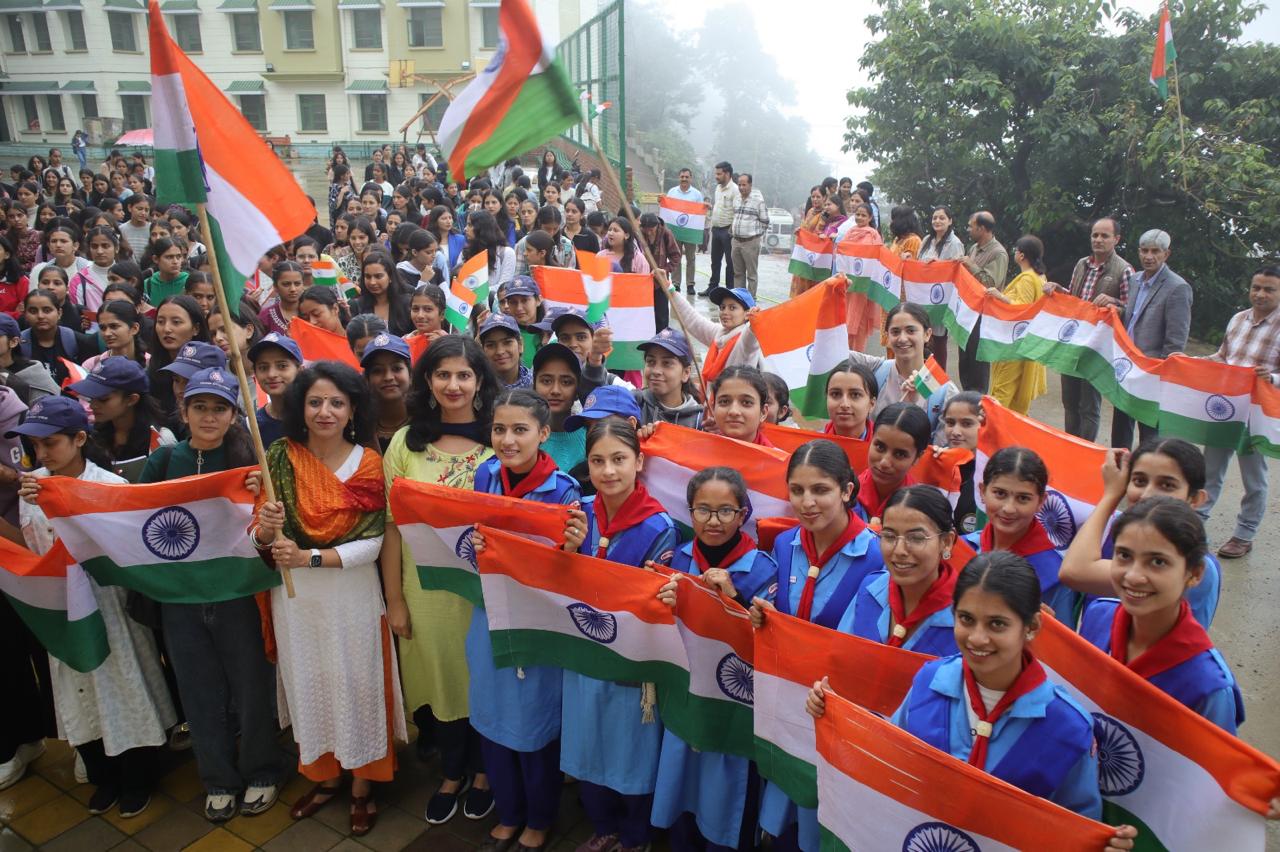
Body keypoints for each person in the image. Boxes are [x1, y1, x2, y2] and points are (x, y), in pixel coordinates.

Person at [806, 553, 1140, 851]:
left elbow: (1075, 827)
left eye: (997, 624)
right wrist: (834, 714)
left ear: (1032, 626)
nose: (978, 638)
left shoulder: (1067, 728)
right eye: (966, 619)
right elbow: (888, 758)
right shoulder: (930, 681)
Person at [253, 362, 402, 837]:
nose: (325, 411)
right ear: (300, 407)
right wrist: (266, 530)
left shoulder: (369, 463)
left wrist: (309, 557)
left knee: (357, 685)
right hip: (296, 603)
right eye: (315, 402)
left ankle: (362, 784)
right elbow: (258, 539)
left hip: (351, 598)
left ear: (352, 409)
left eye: (337, 402)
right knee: (310, 683)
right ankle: (325, 777)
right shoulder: (278, 457)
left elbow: (375, 543)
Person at [13, 396, 176, 819]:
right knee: (79, 686)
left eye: (52, 443)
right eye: (36, 445)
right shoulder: (32, 490)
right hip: (65, 608)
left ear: (80, 439)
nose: (43, 454)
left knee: (124, 681)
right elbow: (34, 548)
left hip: (110, 605)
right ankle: (104, 773)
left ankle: (139, 775)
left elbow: (128, 548)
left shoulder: (110, 486)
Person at [136, 370, 285, 821]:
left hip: (239, 594)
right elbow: (132, 517)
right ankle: (218, 778)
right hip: (181, 598)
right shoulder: (163, 461)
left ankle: (262, 769)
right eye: (199, 407)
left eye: (219, 408)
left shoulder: (250, 462)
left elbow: (268, 529)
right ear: (183, 412)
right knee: (198, 691)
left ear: (233, 415)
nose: (209, 416)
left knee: (251, 686)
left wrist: (262, 498)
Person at [380, 336, 497, 825]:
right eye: (443, 374)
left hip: (486, 593)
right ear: (427, 381)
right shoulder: (406, 443)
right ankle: (451, 773)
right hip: (424, 591)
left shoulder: (499, 439)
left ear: (479, 382)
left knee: (483, 678)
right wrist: (395, 600)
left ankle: (485, 773)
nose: (454, 385)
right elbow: (391, 527)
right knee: (443, 679)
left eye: (464, 375)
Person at [749, 440, 884, 851]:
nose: (807, 502)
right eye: (797, 490)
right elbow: (782, 608)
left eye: (821, 490)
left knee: (821, 805)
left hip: (834, 702)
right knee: (786, 790)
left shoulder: (876, 555)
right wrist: (764, 615)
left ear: (847, 490)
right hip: (789, 695)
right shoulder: (786, 543)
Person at [467, 390, 580, 852]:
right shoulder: (485, 474)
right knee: (492, 715)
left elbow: (568, 568)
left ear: (544, 433)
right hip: (488, 611)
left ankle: (539, 817)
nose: (508, 440)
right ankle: (509, 811)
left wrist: (570, 548)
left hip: (536, 620)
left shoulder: (564, 490)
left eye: (520, 430)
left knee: (535, 722)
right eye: (499, 429)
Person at [563, 418, 677, 852]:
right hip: (582, 652)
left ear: (639, 462)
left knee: (631, 750)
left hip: (630, 662)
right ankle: (603, 825)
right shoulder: (578, 513)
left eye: (619, 459)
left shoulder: (658, 526)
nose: (608, 471)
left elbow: (656, 602)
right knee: (588, 740)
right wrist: (567, 551)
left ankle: (634, 835)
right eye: (597, 461)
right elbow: (556, 579)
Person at [650, 467, 774, 852]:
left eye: (725, 511)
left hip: (732, 706)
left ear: (742, 514)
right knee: (681, 779)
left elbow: (770, 646)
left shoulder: (762, 568)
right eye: (703, 510)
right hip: (685, 695)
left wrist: (734, 599)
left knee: (726, 795)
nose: (713, 521)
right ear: (689, 512)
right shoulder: (677, 559)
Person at [1074, 496, 1243, 732]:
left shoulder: (1209, 686)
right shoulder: (1099, 615)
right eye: (1124, 555)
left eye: (1158, 562)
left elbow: (1214, 756)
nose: (1134, 576)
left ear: (1194, 573)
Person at [1196, 265, 1278, 559]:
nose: (1260, 294)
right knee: (1210, 471)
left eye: (1269, 289)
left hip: (1257, 415)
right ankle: (1195, 524)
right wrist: (1188, 362)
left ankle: (1244, 535)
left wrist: (1273, 378)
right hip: (1225, 408)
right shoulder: (1238, 319)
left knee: (1254, 478)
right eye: (1256, 287)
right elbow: (1222, 357)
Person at [838, 485, 961, 656]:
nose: (899, 550)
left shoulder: (965, 615)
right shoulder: (870, 589)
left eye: (916, 538)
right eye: (889, 536)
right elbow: (840, 658)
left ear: (946, 542)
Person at [966, 446, 1077, 619]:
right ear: (982, 491)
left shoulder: (1055, 576)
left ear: (1041, 501)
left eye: (1023, 498)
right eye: (1000, 494)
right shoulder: (964, 548)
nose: (1009, 508)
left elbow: (1060, 634)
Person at [1051, 218, 1133, 442]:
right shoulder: (1082, 264)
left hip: (1096, 348)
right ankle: (1070, 446)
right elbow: (1074, 297)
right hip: (1072, 343)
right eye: (1095, 235)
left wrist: (1114, 302)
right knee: (1069, 401)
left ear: (1116, 239)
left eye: (1104, 236)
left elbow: (1131, 311)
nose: (1098, 239)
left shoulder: (1124, 270)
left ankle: (1085, 450)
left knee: (1089, 405)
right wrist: (1058, 290)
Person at [1109, 229, 1193, 448]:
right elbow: (1131, 316)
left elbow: (1176, 340)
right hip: (1127, 366)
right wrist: (1116, 308)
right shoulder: (1135, 280)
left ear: (1166, 254)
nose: (1149, 256)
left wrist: (1161, 374)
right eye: (1145, 251)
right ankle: (1121, 465)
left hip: (1152, 372)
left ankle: (1147, 467)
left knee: (1150, 433)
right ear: (1138, 252)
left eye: (1155, 251)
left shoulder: (1177, 287)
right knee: (1120, 428)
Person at [843, 303, 957, 442]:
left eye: (911, 331)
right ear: (887, 336)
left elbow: (945, 449)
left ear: (927, 334)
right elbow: (833, 352)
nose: (902, 338)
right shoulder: (875, 369)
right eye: (895, 332)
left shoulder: (945, 392)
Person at [69, 358, 175, 477]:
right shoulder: (92, 436)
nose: (93, 405)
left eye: (103, 399)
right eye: (91, 398)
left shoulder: (160, 440)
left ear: (132, 399)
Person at [987, 235, 1048, 415]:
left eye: (1016, 250)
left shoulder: (1028, 279)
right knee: (1013, 393)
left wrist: (1000, 297)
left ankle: (996, 425)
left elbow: (1023, 309)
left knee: (1001, 392)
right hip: (1022, 344)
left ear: (1021, 255)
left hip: (1014, 345)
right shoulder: (1040, 277)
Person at [667, 280, 761, 393]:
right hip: (712, 400)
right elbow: (693, 320)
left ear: (747, 314)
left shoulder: (744, 340)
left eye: (732, 308)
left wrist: (754, 324)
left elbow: (750, 340)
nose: (725, 312)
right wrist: (670, 289)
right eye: (722, 307)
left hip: (734, 401)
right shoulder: (719, 333)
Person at [958, 211, 1008, 393]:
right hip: (968, 312)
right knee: (965, 362)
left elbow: (990, 283)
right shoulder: (974, 248)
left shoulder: (998, 253)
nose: (968, 229)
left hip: (984, 316)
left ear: (982, 228)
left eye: (971, 226)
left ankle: (978, 402)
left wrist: (970, 265)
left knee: (978, 364)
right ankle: (967, 399)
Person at [857, 403, 932, 524]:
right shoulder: (845, 495)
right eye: (880, 447)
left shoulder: (922, 512)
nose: (884, 462)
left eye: (900, 454)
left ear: (917, 457)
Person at [834, 202, 884, 350]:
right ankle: (845, 351)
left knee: (860, 320)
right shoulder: (850, 232)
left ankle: (857, 352)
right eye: (858, 214)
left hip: (863, 286)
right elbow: (842, 253)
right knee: (846, 317)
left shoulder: (873, 234)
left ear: (870, 218)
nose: (860, 217)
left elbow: (878, 256)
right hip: (850, 283)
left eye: (863, 215)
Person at [634, 328, 703, 428]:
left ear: (686, 373)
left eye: (667, 363)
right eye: (651, 362)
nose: (656, 371)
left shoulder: (700, 422)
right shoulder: (633, 404)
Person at [938, 392, 984, 534]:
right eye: (950, 423)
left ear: (984, 425)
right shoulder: (935, 462)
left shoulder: (994, 474)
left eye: (967, 424)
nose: (956, 432)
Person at [248, 332, 302, 449]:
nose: (271, 374)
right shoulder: (252, 426)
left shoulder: (317, 418)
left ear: (300, 370)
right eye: (263, 367)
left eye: (282, 366)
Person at [361, 333, 412, 453]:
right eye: (377, 371)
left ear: (410, 375)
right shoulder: (359, 428)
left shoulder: (428, 422)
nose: (388, 377)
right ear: (367, 380)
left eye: (396, 368)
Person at [707, 365, 772, 445]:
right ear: (713, 409)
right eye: (724, 401)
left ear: (763, 412)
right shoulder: (698, 450)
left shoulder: (773, 453)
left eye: (746, 402)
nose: (734, 411)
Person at [728, 173, 768, 297]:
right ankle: (739, 299)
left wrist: (754, 235)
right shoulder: (736, 199)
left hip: (751, 242)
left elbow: (765, 221)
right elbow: (734, 217)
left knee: (751, 274)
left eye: (744, 185)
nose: (741, 187)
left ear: (750, 185)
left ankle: (751, 301)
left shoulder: (758, 202)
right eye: (739, 185)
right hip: (736, 241)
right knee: (738, 273)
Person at [666, 168, 705, 294]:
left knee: (691, 258)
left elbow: (700, 212)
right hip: (675, 231)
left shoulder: (697, 195)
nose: (684, 179)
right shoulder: (672, 192)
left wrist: (705, 207)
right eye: (682, 176)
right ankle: (676, 283)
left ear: (690, 178)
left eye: (686, 177)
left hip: (690, 232)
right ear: (679, 177)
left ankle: (690, 285)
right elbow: (667, 209)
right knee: (675, 257)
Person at [824, 360, 878, 441]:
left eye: (855, 395)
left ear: (872, 404)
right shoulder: (811, 445)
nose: (844, 404)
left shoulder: (886, 445)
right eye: (836, 394)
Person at [705, 161, 736, 294]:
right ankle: (712, 287)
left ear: (727, 174)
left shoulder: (735, 190)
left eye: (719, 174)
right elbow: (720, 206)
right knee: (715, 261)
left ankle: (730, 290)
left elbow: (736, 211)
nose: (716, 176)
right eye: (716, 174)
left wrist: (731, 230)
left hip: (728, 230)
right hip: (716, 229)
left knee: (730, 263)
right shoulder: (718, 188)